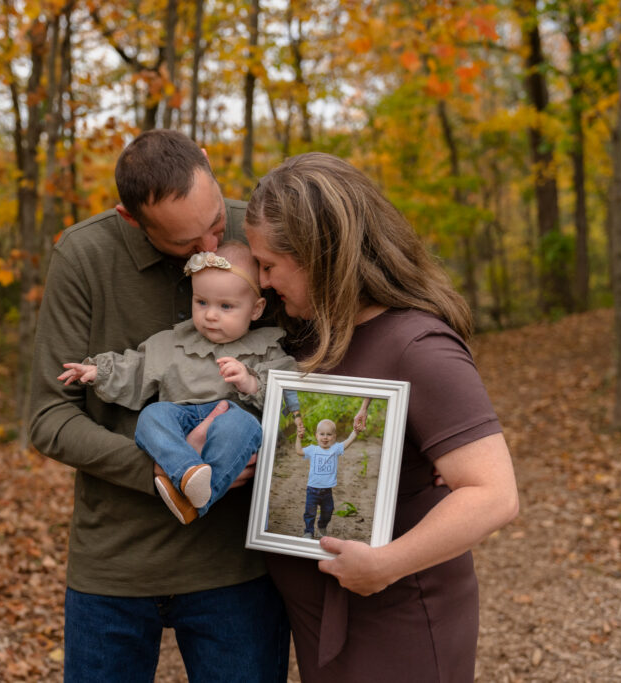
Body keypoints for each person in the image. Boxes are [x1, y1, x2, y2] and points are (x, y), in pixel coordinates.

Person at [244, 152, 519, 682]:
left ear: (319, 256)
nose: (261, 281)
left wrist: (386, 564)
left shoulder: (418, 344)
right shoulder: (303, 332)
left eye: (270, 266)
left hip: (398, 616)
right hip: (316, 616)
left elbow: (494, 493)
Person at [28, 130, 290, 682]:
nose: (212, 246)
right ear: (132, 220)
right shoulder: (84, 255)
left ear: (209, 164)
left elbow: (313, 369)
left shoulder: (264, 231)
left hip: (236, 566)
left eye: (216, 223)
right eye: (186, 243)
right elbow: (50, 418)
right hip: (116, 567)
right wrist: (160, 469)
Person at [57, 243, 295, 524]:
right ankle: (188, 471)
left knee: (240, 426)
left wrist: (251, 382)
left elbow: (290, 396)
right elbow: (136, 368)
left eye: (226, 306)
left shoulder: (266, 348)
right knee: (152, 416)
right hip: (182, 420)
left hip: (230, 422)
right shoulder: (173, 343)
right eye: (201, 302)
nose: (210, 315)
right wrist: (100, 372)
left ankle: (193, 498)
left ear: (256, 310)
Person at [295, 418, 363, 539]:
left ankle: (322, 526)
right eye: (322, 434)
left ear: (334, 437)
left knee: (328, 511)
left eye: (329, 434)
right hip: (312, 489)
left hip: (327, 491)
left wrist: (355, 432)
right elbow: (299, 451)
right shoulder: (312, 449)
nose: (325, 437)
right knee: (310, 513)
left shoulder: (335, 449)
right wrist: (298, 438)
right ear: (316, 435)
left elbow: (348, 441)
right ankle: (308, 531)